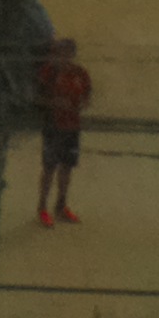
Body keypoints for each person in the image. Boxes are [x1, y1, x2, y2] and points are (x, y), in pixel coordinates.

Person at [35, 36, 93, 226]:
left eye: (68, 53)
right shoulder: (48, 73)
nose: (63, 57)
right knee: (49, 167)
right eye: (60, 53)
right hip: (53, 125)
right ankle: (42, 208)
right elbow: (36, 97)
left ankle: (61, 206)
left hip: (72, 126)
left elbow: (87, 94)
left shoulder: (80, 73)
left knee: (67, 167)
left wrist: (83, 103)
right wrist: (54, 103)